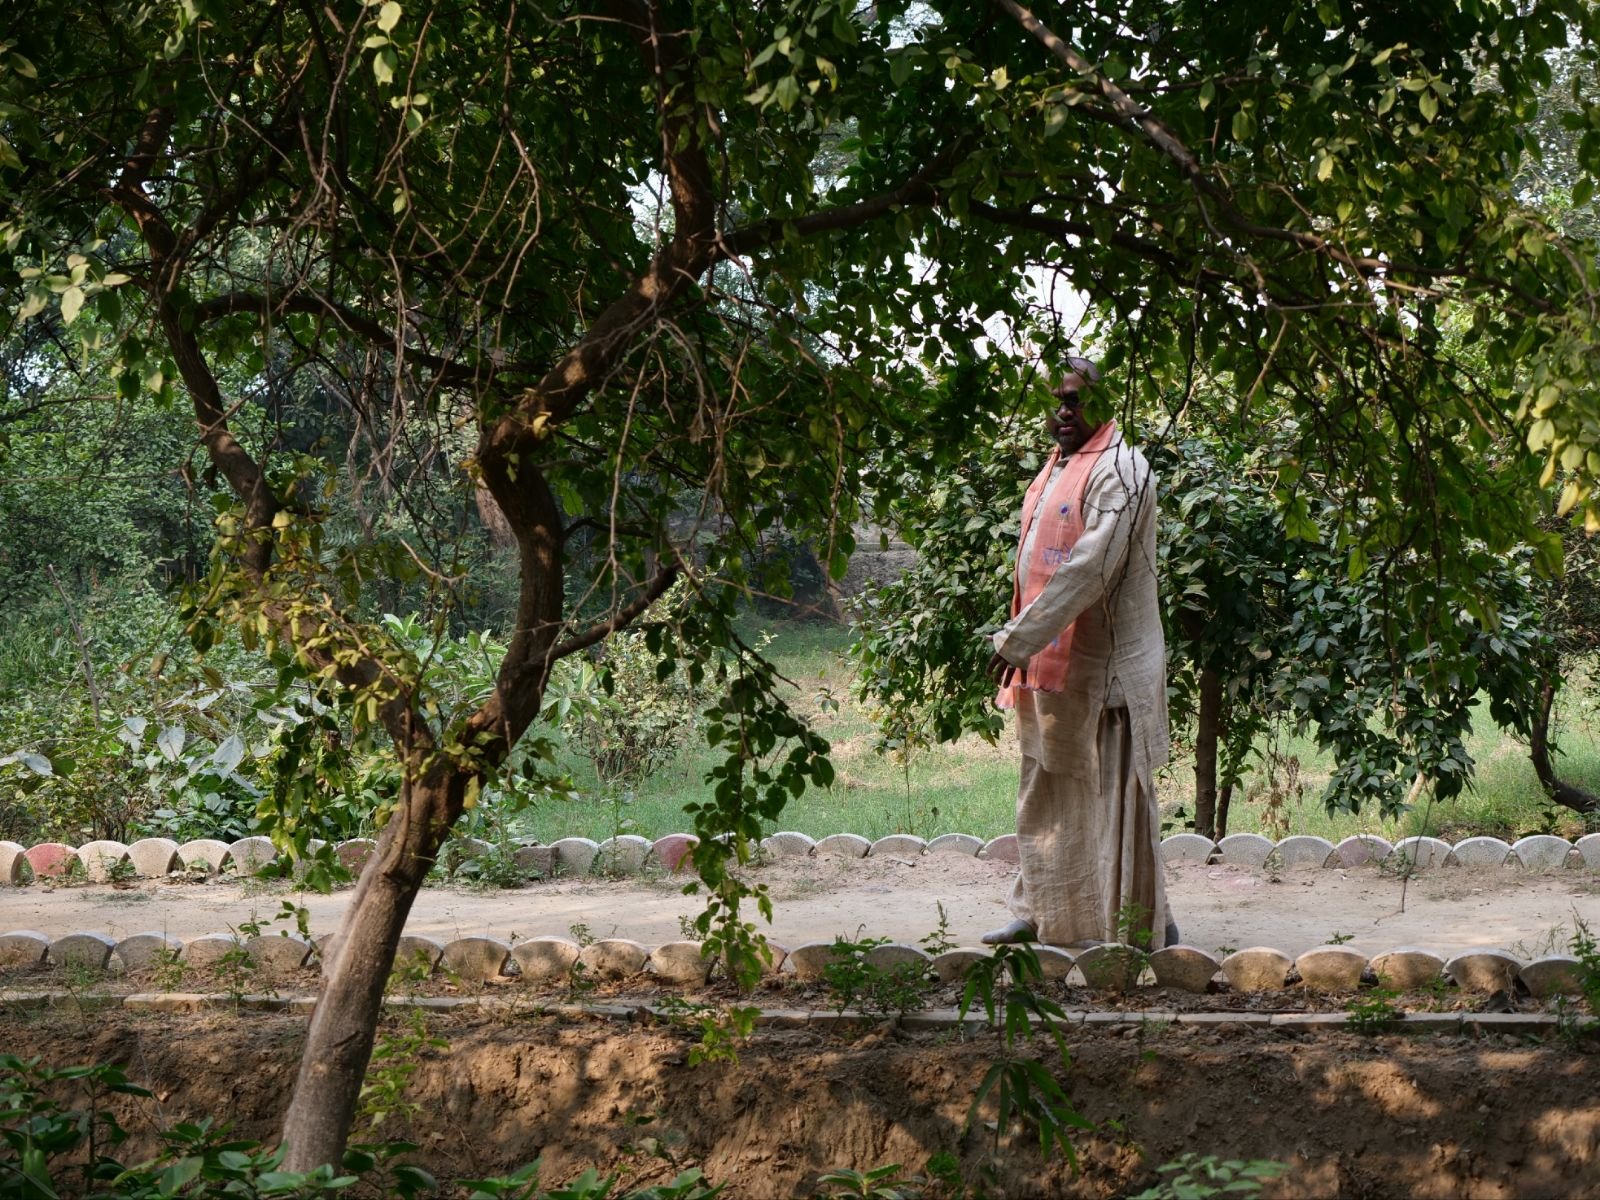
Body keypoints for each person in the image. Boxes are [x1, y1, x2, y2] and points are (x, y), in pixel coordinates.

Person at [980, 357, 1176, 949]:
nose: (1064, 412)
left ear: (1103, 400)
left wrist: (1020, 638)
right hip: (1050, 669)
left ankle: (1144, 926)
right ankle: (1039, 913)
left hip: (1106, 671)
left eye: (1075, 400)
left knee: (1115, 797)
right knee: (1045, 790)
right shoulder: (1055, 470)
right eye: (1056, 402)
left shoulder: (1123, 470)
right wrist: (1029, 641)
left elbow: (1089, 568)